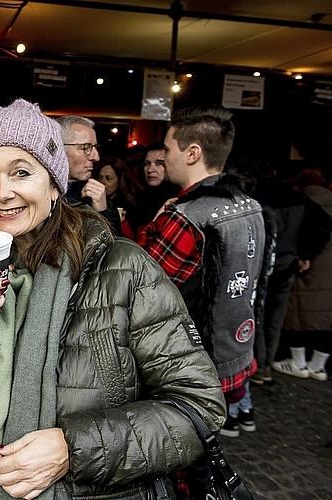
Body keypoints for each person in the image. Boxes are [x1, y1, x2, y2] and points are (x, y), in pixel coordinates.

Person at [0, 98, 226, 500]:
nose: (2, 193)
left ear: (54, 184)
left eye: (21, 172)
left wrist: (73, 448)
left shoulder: (124, 269)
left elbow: (199, 408)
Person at [137, 105, 270, 497]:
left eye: (168, 148)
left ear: (192, 153)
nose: (163, 156)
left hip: (192, 366)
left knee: (184, 463)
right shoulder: (251, 205)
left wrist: (155, 224)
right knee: (203, 447)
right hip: (237, 354)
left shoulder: (185, 216)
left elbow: (145, 288)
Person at [227, 159, 331, 386]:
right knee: (274, 321)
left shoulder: (254, 199)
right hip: (286, 267)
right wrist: (305, 253)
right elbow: (323, 222)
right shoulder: (296, 197)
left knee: (258, 320)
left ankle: (259, 367)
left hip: (263, 268)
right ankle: (266, 368)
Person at [279, 168, 332, 381]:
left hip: (308, 269)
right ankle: (318, 367)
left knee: (297, 314)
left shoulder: (302, 205)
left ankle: (298, 363)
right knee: (327, 318)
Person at [56, 115, 122, 234]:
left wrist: (102, 213)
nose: (96, 157)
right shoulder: (36, 190)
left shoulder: (98, 198)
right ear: (59, 148)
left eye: (95, 147)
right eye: (86, 147)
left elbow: (116, 248)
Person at [129, 141, 181, 238]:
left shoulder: (177, 201)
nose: (150, 169)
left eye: (159, 163)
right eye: (147, 163)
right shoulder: (138, 200)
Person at [93, 156, 138, 239]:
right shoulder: (92, 201)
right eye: (100, 177)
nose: (102, 182)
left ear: (120, 181)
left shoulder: (131, 205)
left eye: (108, 178)